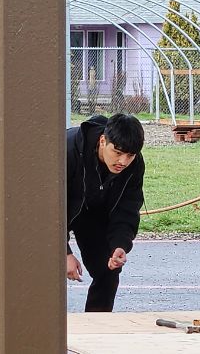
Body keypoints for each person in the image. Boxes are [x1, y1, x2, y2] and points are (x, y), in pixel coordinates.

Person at [65, 113, 146, 312]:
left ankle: (96, 328)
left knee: (108, 270)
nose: (123, 161)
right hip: (55, 211)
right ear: (103, 141)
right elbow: (45, 208)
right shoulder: (66, 150)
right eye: (117, 152)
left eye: (130, 155)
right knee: (41, 270)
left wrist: (120, 244)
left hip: (93, 214)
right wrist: (63, 253)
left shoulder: (134, 165)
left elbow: (127, 208)